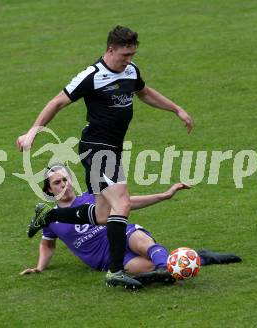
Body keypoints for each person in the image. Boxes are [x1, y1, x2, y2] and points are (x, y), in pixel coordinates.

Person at [17, 26, 193, 289]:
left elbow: (144, 92)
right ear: (110, 50)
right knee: (122, 205)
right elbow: (56, 102)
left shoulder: (130, 71)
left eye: (132, 54)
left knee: (102, 215)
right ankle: (115, 271)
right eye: (125, 55)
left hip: (113, 149)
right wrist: (33, 131)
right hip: (97, 148)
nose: (129, 60)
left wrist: (176, 109)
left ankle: (49, 216)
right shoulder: (92, 75)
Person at [20, 165, 242, 285]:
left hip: (122, 234)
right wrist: (40, 267)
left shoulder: (91, 198)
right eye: (57, 182)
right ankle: (199, 257)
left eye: (66, 179)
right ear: (49, 189)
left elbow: (127, 203)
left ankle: (189, 259)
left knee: (139, 241)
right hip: (108, 259)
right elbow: (47, 245)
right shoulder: (51, 217)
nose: (64, 185)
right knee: (157, 271)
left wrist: (164, 195)